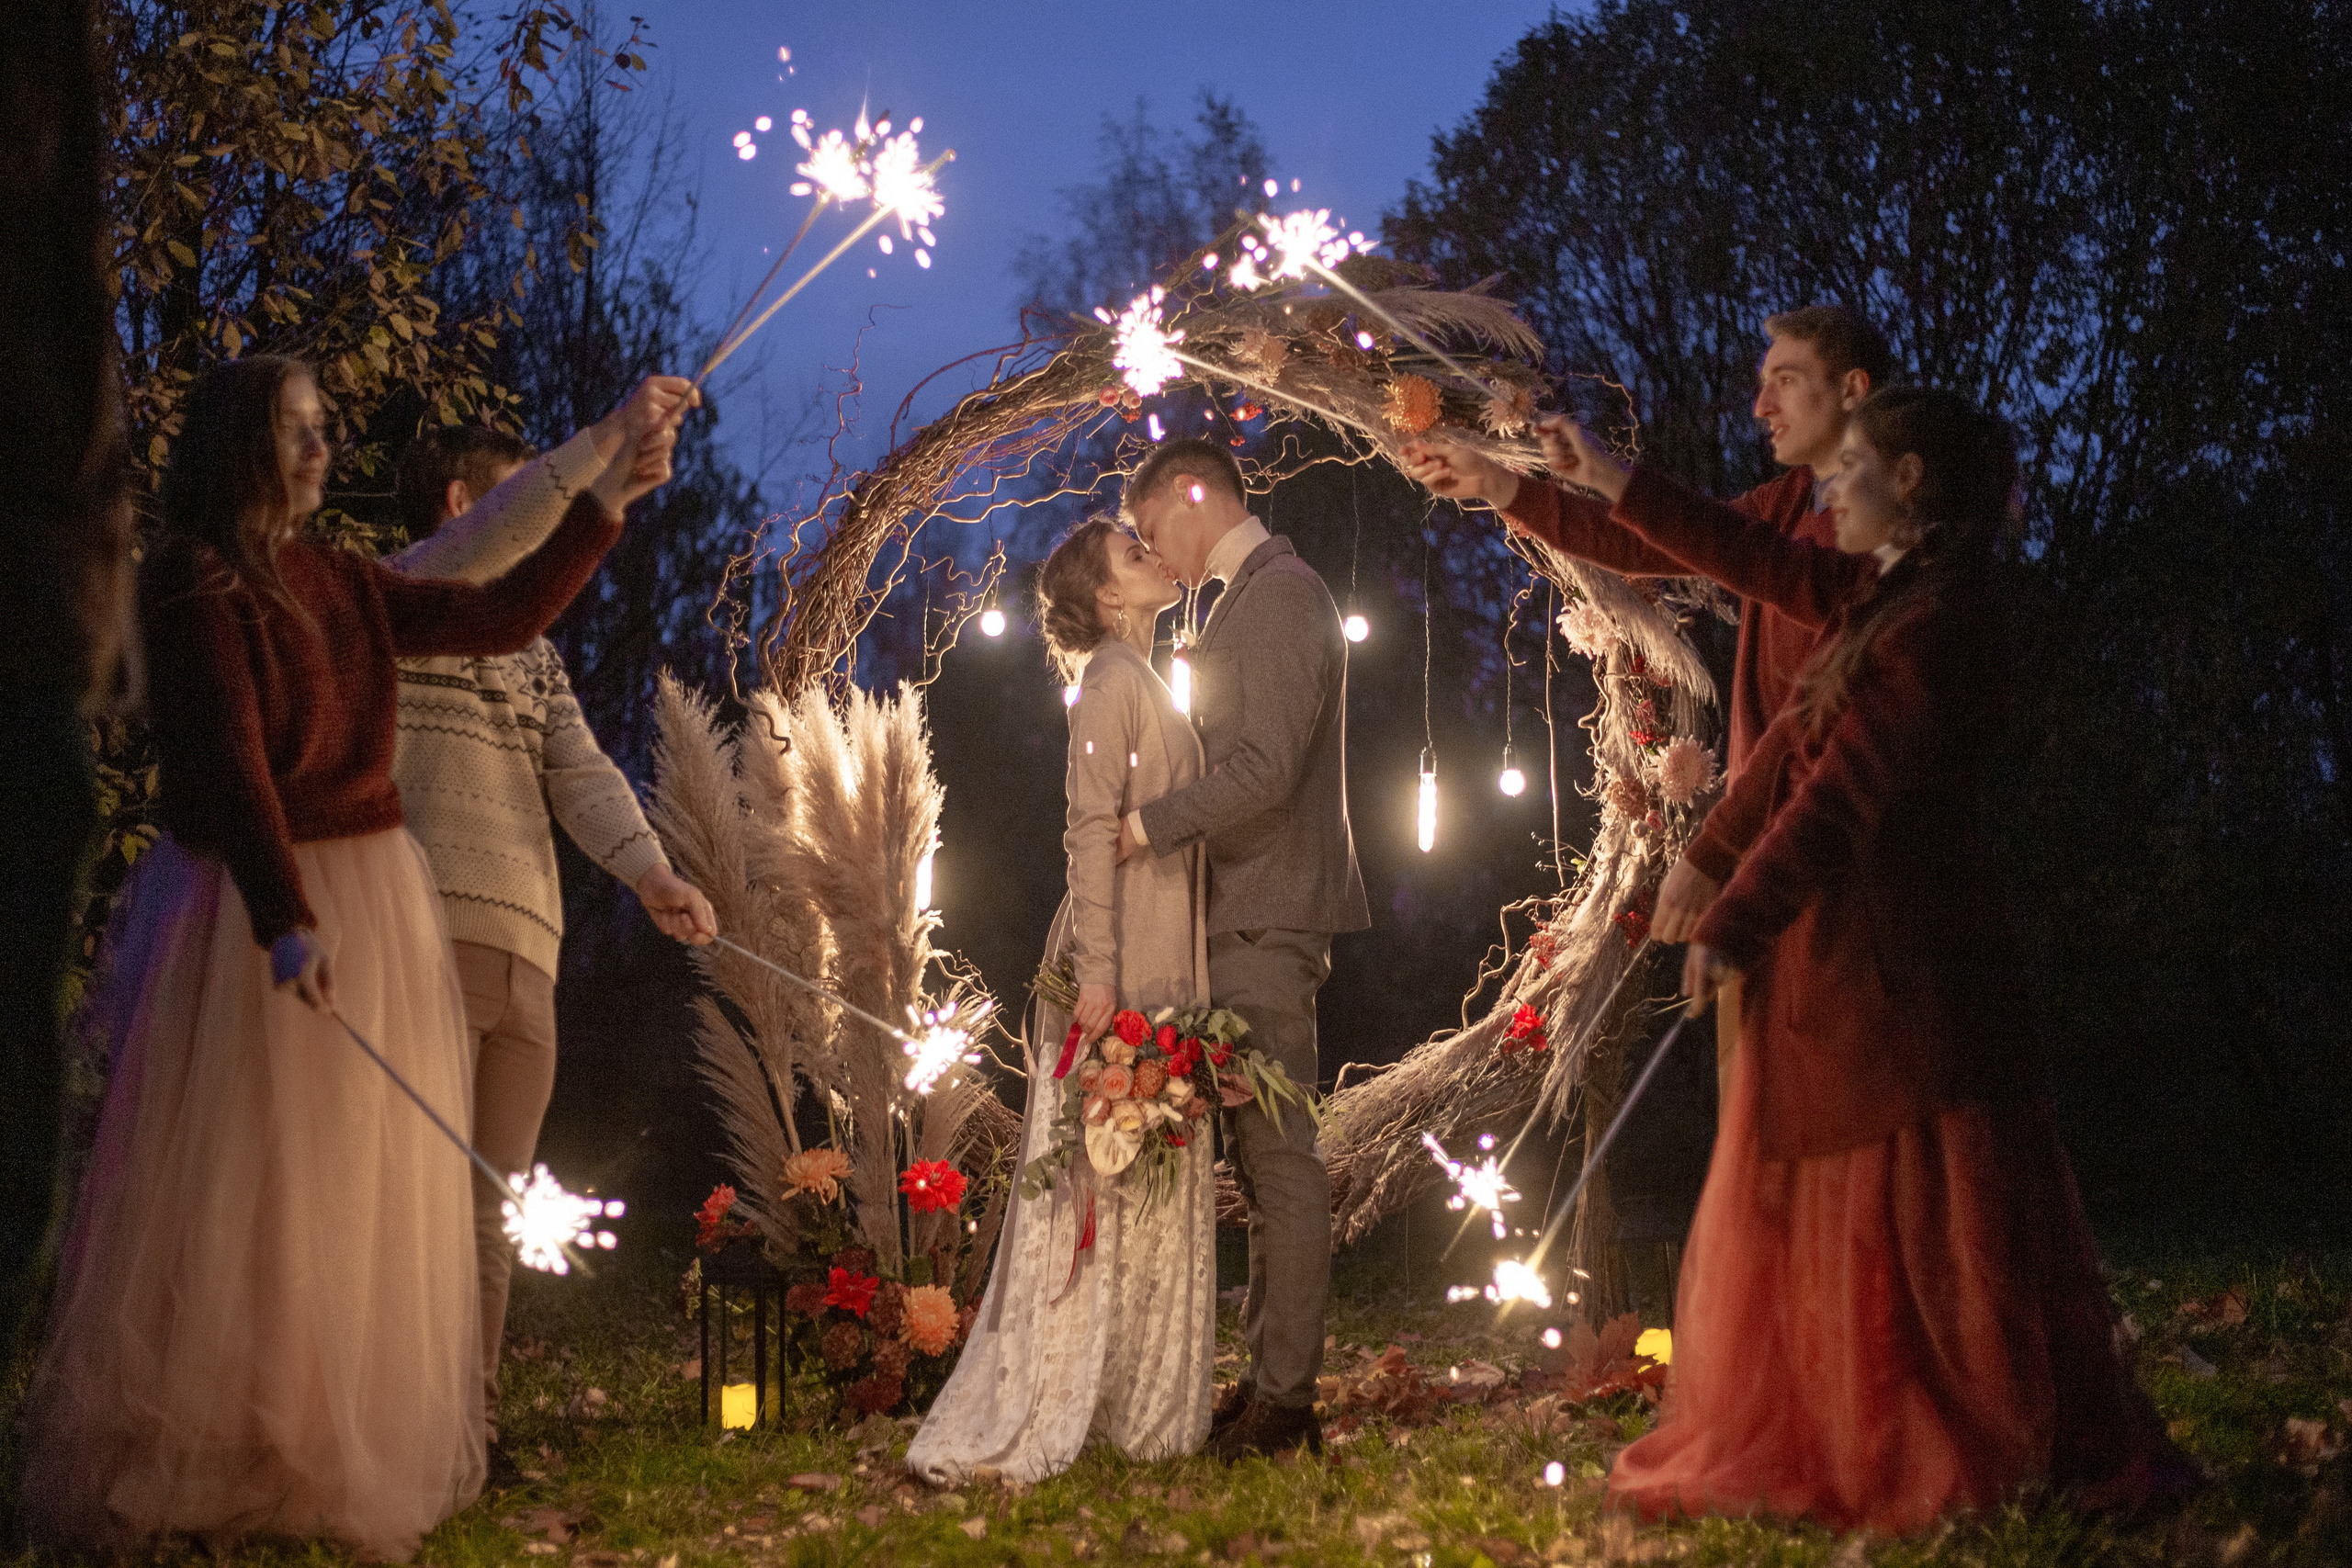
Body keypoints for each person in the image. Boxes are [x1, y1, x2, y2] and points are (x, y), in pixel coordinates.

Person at [21, 354, 651, 1562]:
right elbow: (229, 753)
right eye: (298, 431)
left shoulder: (343, 580)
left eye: (324, 429)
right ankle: (204, 1439)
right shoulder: (195, 578)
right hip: (262, 903)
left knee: (346, 1185)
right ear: (241, 446)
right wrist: (282, 912)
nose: (322, 450)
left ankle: (304, 1434)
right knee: (241, 1171)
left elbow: (497, 617)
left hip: (371, 894)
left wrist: (605, 508)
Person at [1540, 387, 2186, 1531]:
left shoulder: (1945, 621)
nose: (1827, 491)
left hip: (1914, 963)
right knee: (1845, 1185)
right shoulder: (1874, 596)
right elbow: (1785, 736)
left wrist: (1738, 919)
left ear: (1914, 482)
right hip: (1856, 950)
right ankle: (1857, 1417)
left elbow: (1843, 792)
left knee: (1922, 1205)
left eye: (1852, 472)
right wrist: (1712, 865)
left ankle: (1953, 1436)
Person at [1402, 306, 1892, 1086]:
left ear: (1854, 390)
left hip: (1853, 868)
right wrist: (1502, 484)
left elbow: (1743, 558)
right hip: (1766, 851)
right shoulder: (1790, 504)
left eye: (1786, 382)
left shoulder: (1880, 544)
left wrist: (1608, 475)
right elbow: (1649, 548)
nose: (1760, 405)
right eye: (1761, 385)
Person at [383, 394, 716, 1482]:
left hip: (530, 952)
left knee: (485, 1212)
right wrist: (602, 465)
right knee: (406, 1203)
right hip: (425, 937)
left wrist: (651, 870)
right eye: (531, 494)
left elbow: (580, 772)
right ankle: (387, 1422)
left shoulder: (533, 658)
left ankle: (465, 1437)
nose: (553, 517)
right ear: (463, 504)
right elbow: (490, 544)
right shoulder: (401, 597)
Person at [907, 516, 1214, 1482]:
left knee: (1143, 1174)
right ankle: (1065, 1388)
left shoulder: (1148, 679)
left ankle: (1135, 1397)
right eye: (1132, 556)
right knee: (1102, 1176)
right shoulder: (1112, 687)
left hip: (1163, 953)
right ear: (1103, 598)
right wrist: (1098, 976)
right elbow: (1085, 832)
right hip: (1118, 960)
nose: (1153, 559)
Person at [1115, 439, 1369, 1460]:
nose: (1148, 552)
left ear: (1193, 496)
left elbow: (1262, 768)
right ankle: (1270, 1387)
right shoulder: (1244, 601)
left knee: (1278, 1159)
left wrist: (1146, 827)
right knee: (1262, 1174)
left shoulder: (1278, 594)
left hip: (1265, 911)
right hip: (1243, 909)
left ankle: (1285, 1404)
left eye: (1146, 532)